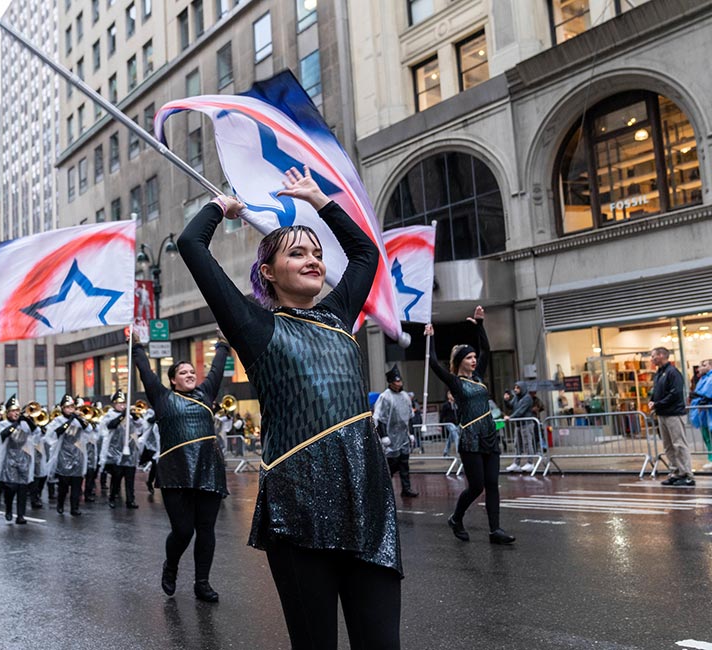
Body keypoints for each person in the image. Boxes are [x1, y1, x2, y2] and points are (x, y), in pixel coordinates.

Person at [178, 167, 401, 648]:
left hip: (367, 496)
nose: (313, 260)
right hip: (298, 505)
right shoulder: (253, 326)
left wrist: (321, 201)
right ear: (267, 271)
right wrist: (222, 208)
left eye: (317, 254)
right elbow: (191, 245)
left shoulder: (339, 315)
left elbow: (365, 252)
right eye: (297, 252)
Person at [132, 331, 230, 602]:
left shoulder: (206, 393)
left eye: (191, 371)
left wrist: (222, 344)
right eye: (183, 372)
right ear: (173, 380)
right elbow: (145, 372)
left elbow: (217, 368)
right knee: (183, 530)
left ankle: (202, 583)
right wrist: (138, 346)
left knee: (206, 529)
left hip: (208, 470)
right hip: (176, 472)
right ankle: (171, 565)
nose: (189, 374)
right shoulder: (163, 398)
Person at [425, 307, 515, 545]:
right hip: (470, 439)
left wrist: (480, 325)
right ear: (459, 361)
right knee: (476, 486)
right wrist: (430, 337)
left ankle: (495, 530)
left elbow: (487, 349)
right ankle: (456, 518)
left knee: (492, 484)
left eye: (474, 357)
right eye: (469, 357)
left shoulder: (478, 378)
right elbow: (433, 363)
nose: (474, 360)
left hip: (488, 435)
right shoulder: (456, 382)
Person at [648, 347, 695, 486]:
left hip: (674, 414)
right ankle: (675, 472)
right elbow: (656, 390)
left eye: (653, 356)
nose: (651, 359)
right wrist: (652, 400)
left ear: (661, 355)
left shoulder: (673, 372)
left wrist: (658, 403)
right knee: (668, 446)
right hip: (662, 414)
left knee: (679, 444)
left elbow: (675, 393)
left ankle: (687, 474)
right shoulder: (659, 373)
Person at [374, 365, 418, 498]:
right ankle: (383, 490)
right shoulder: (385, 397)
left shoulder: (405, 396)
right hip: (391, 438)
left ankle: (406, 488)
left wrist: (410, 433)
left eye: (400, 381)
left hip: (403, 437)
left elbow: (410, 417)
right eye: (396, 381)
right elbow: (380, 418)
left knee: (404, 464)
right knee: (391, 466)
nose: (399, 384)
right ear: (391, 383)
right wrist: (384, 436)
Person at [45, 395, 93, 516]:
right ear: (62, 408)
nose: (70, 409)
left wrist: (79, 418)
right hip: (63, 456)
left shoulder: (79, 419)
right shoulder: (58, 420)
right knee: (64, 485)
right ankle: (60, 503)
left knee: (77, 483)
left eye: (72, 407)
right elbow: (54, 434)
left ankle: (74, 508)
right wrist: (70, 420)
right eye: (67, 407)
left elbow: (89, 429)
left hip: (78, 455)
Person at [0, 395, 36, 523]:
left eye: (17, 410)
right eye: (12, 410)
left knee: (22, 488)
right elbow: (1, 437)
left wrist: (27, 421)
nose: (16, 413)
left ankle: (20, 515)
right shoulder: (2, 424)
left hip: (23, 458)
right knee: (11, 487)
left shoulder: (25, 425)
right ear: (7, 413)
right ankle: (9, 508)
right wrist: (16, 423)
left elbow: (37, 432)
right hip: (9, 459)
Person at [98, 391, 142, 509]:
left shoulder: (130, 416)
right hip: (116, 452)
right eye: (119, 403)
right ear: (113, 404)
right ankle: (112, 497)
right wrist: (123, 414)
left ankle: (130, 500)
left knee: (130, 478)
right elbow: (110, 425)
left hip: (130, 452)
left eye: (123, 403)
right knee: (116, 478)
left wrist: (134, 415)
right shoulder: (109, 415)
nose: (122, 405)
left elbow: (140, 426)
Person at [505, 384, 536, 473]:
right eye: (514, 387)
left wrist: (510, 417)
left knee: (527, 443)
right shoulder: (516, 397)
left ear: (522, 388)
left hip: (526, 424)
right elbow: (511, 406)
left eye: (517, 388)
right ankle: (516, 463)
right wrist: (506, 401)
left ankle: (530, 463)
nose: (515, 389)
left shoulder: (527, 398)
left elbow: (521, 410)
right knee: (517, 444)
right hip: (519, 424)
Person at [689, 359, 712, 470]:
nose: (700, 368)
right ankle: (710, 458)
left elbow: (707, 394)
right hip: (704, 414)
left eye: (703, 365)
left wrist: (700, 397)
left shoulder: (710, 378)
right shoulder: (703, 379)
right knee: (706, 437)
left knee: (709, 436)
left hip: (709, 412)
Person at [439, 391, 460, 457]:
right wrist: (440, 424)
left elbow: (459, 413)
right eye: (451, 395)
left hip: (456, 422)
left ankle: (446, 451)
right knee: (456, 436)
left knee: (450, 437)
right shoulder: (446, 405)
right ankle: (458, 452)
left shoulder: (456, 404)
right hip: (449, 422)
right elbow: (442, 415)